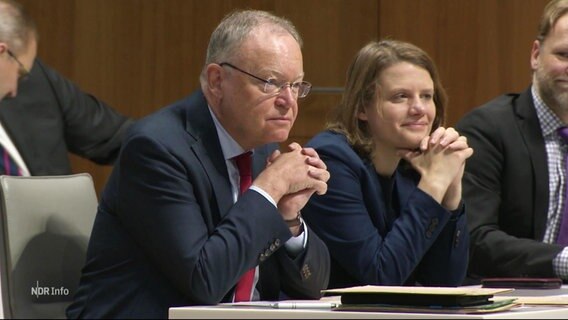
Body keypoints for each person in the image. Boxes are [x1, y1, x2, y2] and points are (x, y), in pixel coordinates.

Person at [67, 9, 331, 319]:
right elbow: (204, 280)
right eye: (271, 83)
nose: (289, 101)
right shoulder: (156, 149)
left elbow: (314, 286)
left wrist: (288, 218)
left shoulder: (262, 150)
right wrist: (269, 189)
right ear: (217, 80)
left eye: (296, 86)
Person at [302, 40, 473, 289]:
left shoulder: (414, 160)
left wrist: (451, 192)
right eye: (400, 97)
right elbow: (381, 275)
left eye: (427, 96)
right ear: (362, 107)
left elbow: (444, 282)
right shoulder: (331, 162)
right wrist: (434, 183)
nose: (419, 109)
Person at [456, 0, 568, 282]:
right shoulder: (487, 129)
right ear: (535, 55)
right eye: (564, 55)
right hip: (513, 298)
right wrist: (563, 260)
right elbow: (476, 238)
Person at [0, 0, 133, 175]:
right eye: (21, 72)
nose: (14, 91)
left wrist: (177, 131)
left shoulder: (38, 81)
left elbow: (116, 137)